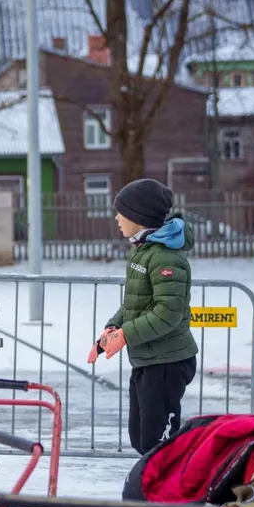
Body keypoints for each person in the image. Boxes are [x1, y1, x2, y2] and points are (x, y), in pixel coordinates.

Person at [87, 178, 199, 456]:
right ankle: (156, 486)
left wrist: (125, 335)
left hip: (167, 362)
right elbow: (135, 304)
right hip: (148, 359)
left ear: (139, 216)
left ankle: (168, 490)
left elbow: (167, 314)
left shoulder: (165, 257)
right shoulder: (144, 250)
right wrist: (113, 327)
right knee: (140, 439)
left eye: (121, 212)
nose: (116, 218)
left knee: (158, 443)